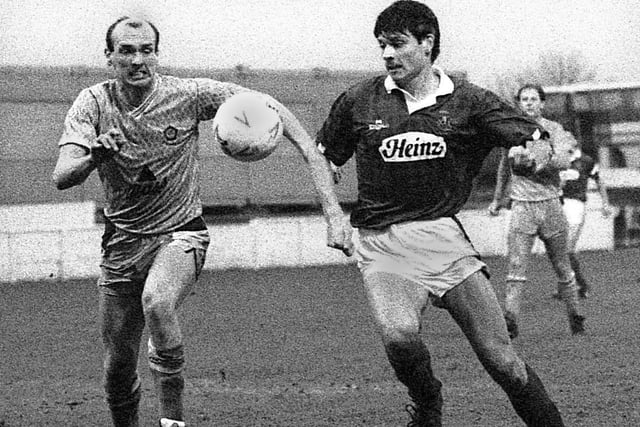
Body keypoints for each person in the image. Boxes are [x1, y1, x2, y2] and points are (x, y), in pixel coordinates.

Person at [52, 16, 352, 427]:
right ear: (109, 57)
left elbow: (267, 104)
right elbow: (62, 175)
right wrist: (95, 156)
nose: (138, 60)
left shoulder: (187, 94)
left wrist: (312, 160)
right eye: (126, 50)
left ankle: (173, 422)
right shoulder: (92, 103)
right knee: (117, 371)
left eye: (147, 50)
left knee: (157, 301)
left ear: (157, 53)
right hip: (121, 243)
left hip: (181, 234)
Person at [316, 2, 566, 426]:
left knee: (502, 361)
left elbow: (536, 136)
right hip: (383, 244)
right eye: (381, 46)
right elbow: (324, 157)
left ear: (427, 43)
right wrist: (333, 213)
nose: (387, 55)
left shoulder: (470, 101)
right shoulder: (360, 100)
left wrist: (535, 156)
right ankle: (428, 398)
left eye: (397, 44)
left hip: (445, 242)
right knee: (398, 336)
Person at [489, 83, 585, 339]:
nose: (529, 103)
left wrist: (536, 164)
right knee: (516, 267)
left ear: (542, 103)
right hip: (522, 206)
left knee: (562, 266)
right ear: (519, 103)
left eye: (533, 99)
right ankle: (510, 322)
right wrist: (498, 199)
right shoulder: (510, 132)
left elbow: (565, 160)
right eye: (524, 99)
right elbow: (503, 168)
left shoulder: (554, 129)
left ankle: (575, 318)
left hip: (551, 204)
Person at [558, 136, 612, 298]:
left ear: (573, 143)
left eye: (564, 139)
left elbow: (599, 180)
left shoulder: (586, 161)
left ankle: (581, 285)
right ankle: (568, 287)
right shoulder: (558, 159)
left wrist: (605, 203)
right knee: (559, 250)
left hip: (576, 206)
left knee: (567, 250)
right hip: (559, 205)